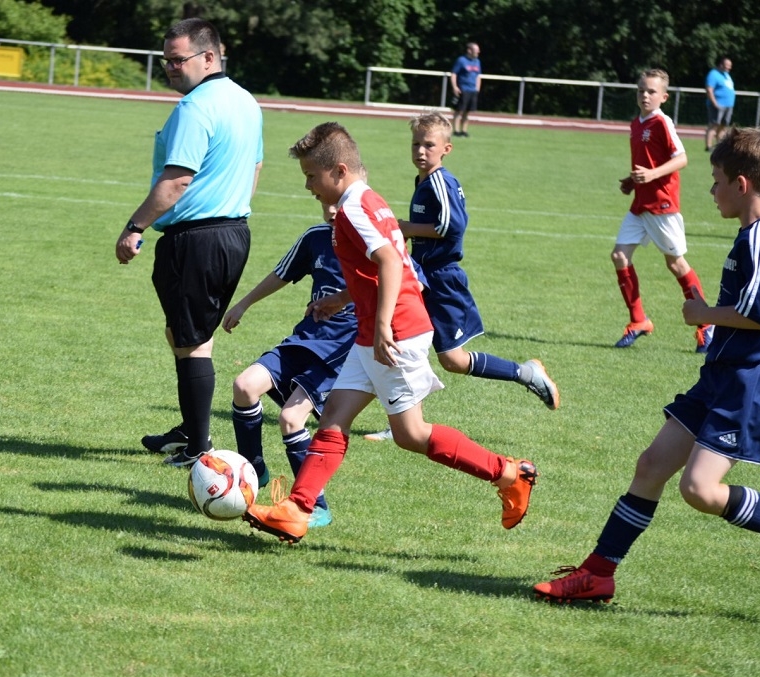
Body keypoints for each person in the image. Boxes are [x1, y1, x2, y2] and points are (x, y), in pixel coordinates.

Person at [534, 127, 760, 604]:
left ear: (741, 185)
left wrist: (702, 314)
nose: (711, 190)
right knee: (651, 465)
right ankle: (598, 573)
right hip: (721, 374)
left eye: (717, 181)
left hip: (748, 382)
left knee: (699, 489)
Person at [242, 122, 538, 544]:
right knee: (334, 416)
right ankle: (298, 509)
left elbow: (390, 262)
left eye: (311, 176)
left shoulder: (352, 210)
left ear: (339, 170)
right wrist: (342, 299)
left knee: (411, 435)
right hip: (376, 329)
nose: (308, 186)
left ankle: (509, 473)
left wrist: (382, 327)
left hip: (394, 331)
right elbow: (378, 266)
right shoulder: (370, 200)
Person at [116, 18, 263, 468]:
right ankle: (190, 425)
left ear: (209, 57)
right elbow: (255, 167)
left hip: (196, 239)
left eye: (178, 59)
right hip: (233, 233)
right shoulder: (246, 101)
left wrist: (135, 226)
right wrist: (230, 206)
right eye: (166, 60)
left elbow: (177, 180)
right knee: (185, 333)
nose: (170, 67)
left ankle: (199, 446)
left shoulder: (195, 107)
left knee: (193, 342)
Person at [362, 112, 558, 443]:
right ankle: (402, 424)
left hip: (441, 278)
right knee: (406, 344)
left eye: (429, 145)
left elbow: (451, 226)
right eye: (415, 144)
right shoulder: (423, 181)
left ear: (446, 149)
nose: (420, 151)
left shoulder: (441, 182)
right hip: (420, 275)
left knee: (452, 359)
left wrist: (406, 228)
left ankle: (526, 373)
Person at [222, 202, 358, 529]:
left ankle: (316, 506)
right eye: (325, 201)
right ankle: (254, 469)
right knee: (244, 386)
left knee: (290, 418)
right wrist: (243, 304)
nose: (331, 209)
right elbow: (281, 274)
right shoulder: (315, 237)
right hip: (306, 337)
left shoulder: (372, 242)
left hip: (341, 349)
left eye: (339, 202)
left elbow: (402, 284)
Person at [611, 68, 712, 352]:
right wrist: (632, 181)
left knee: (676, 264)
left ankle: (707, 324)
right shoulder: (636, 123)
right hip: (640, 204)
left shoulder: (662, 122)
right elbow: (646, 162)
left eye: (651, 91)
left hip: (662, 203)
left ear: (664, 97)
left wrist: (651, 175)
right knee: (619, 256)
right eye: (641, 90)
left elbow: (682, 158)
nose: (645, 95)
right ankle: (638, 321)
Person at [449, 42, 482, 137]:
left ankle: (464, 130)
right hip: (463, 89)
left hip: (473, 90)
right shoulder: (461, 60)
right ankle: (456, 130)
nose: (478, 52)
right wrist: (455, 87)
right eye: (476, 50)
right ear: (469, 50)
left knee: (467, 111)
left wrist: (477, 88)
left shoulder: (477, 61)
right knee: (459, 110)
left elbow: (478, 76)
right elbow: (454, 74)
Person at [705, 57, 735, 152]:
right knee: (714, 125)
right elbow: (709, 90)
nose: (729, 68)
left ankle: (720, 146)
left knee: (723, 126)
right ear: (721, 65)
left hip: (728, 105)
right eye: (727, 65)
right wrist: (714, 103)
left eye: (730, 66)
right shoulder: (713, 74)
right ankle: (709, 146)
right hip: (717, 105)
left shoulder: (726, 75)